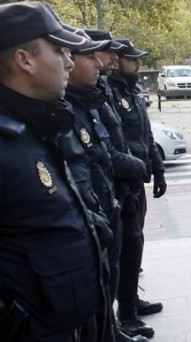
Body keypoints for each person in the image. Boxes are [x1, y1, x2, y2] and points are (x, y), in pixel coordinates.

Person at [0, 2, 110, 341]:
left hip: (69, 321)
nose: (68, 61)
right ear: (25, 59)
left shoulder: (39, 124)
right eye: (60, 50)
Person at [65, 29, 149, 342]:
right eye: (91, 55)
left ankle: (113, 329)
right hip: (98, 209)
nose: (104, 62)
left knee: (114, 268)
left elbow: (117, 142)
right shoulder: (70, 107)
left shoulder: (94, 96)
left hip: (112, 200)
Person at [107, 39, 165, 339]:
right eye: (132, 60)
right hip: (122, 184)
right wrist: (139, 168)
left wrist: (157, 166)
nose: (138, 64)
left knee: (136, 244)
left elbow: (146, 132)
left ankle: (131, 300)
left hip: (136, 182)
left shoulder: (133, 91)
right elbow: (116, 145)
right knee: (125, 248)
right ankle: (125, 314)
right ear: (116, 61)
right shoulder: (109, 93)